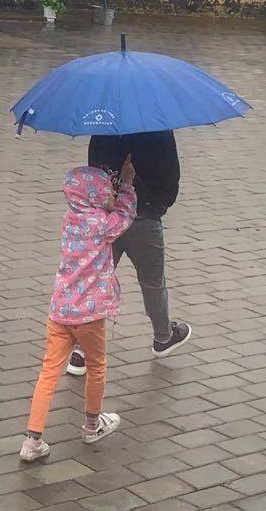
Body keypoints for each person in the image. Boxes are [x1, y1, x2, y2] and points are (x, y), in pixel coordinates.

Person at [20, 158, 137, 464]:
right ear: (95, 196)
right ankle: (92, 426)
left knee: (49, 372)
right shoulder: (102, 224)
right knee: (96, 367)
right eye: (105, 191)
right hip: (88, 316)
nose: (109, 194)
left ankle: (32, 440)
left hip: (60, 311)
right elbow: (125, 215)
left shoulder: (70, 219)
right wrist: (126, 184)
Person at [67, 132, 192, 378]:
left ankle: (81, 350)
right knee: (152, 282)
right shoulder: (159, 131)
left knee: (95, 280)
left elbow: (94, 171)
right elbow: (170, 177)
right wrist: (158, 205)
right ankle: (163, 336)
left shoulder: (103, 126)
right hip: (143, 217)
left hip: (106, 217)